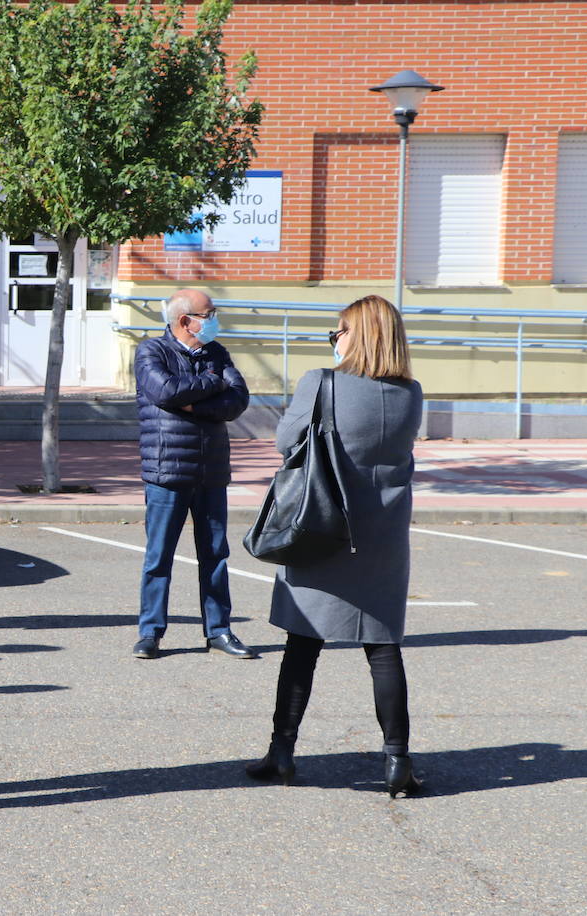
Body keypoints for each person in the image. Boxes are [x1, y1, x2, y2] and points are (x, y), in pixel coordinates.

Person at [246, 295, 425, 797]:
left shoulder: (321, 383)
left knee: (302, 647)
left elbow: (287, 442)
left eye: (338, 331)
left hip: (321, 526)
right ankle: (397, 760)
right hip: (382, 536)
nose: (334, 339)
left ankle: (282, 752)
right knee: (384, 649)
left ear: (357, 334)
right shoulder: (411, 393)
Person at [132, 289, 257, 660]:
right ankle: (150, 633)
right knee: (159, 557)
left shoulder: (216, 353)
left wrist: (193, 401)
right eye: (210, 313)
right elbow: (166, 390)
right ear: (185, 320)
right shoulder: (151, 351)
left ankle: (219, 631)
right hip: (167, 469)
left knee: (215, 554)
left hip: (212, 469)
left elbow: (238, 400)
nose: (215, 319)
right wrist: (213, 385)